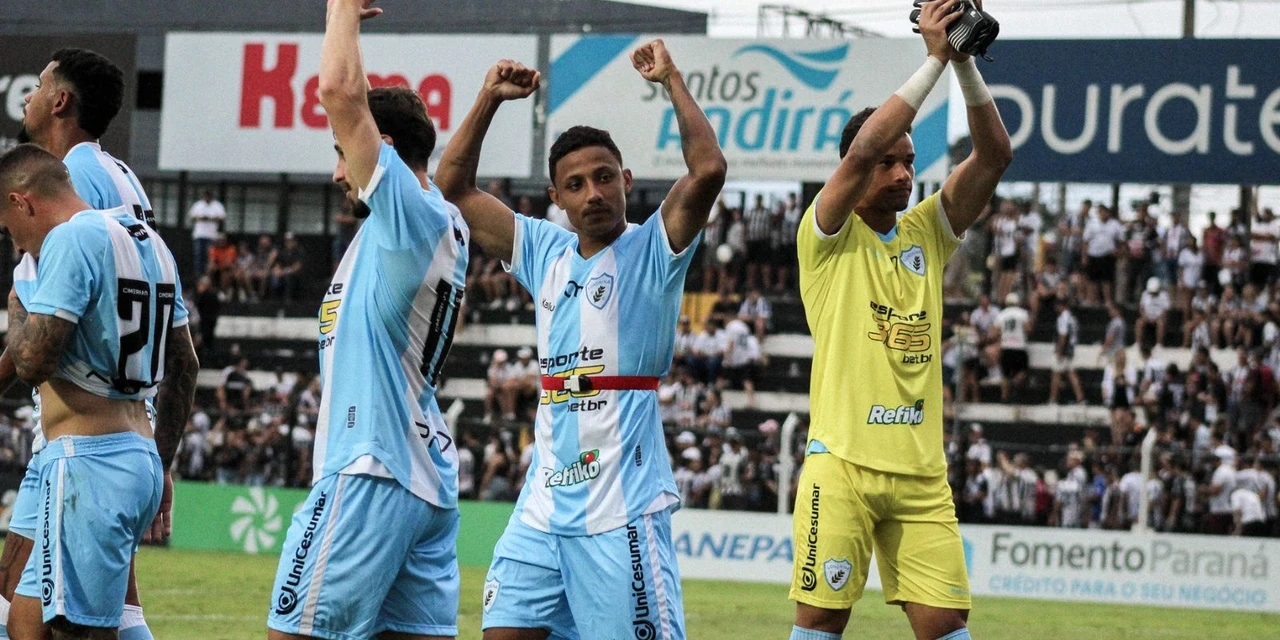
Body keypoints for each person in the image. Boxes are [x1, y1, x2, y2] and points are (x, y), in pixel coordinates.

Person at [436, 38, 725, 638]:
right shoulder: (542, 249)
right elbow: (454, 187)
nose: (592, 193)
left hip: (620, 508)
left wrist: (671, 80)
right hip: (542, 504)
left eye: (602, 178)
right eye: (575, 185)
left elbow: (708, 170)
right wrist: (489, 99)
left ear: (625, 179)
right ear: (556, 199)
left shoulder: (653, 246)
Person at [789, 2, 1012, 638]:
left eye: (909, 161)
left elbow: (994, 156)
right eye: (889, 162)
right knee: (819, 624)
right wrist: (933, 56)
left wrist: (964, 63)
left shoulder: (927, 231)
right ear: (852, 172)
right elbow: (862, 147)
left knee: (947, 626)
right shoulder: (825, 234)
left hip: (921, 473)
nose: (902, 172)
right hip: (843, 467)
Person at [266, 2, 471, 639]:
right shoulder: (416, 222)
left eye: (341, 152)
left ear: (378, 150)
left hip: (369, 468)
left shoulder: (408, 216)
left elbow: (337, 91)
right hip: (419, 476)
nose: (336, 171)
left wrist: (340, 11)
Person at [0, 144, 198, 640]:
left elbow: (31, 362)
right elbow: (185, 365)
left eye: (9, 230)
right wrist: (164, 460)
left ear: (22, 202)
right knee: (23, 620)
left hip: (88, 461)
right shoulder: (151, 240)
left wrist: (19, 299)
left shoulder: (70, 241)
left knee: (79, 631)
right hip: (137, 453)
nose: (18, 247)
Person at [993, 293, 1030, 402]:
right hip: (1019, 346)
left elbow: (996, 331)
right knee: (1023, 370)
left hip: (1006, 346)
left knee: (1005, 374)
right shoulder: (1023, 313)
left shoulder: (1002, 314)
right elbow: (1028, 329)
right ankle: (1015, 385)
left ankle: (1004, 397)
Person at [1049, 299, 1085, 404]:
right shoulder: (1072, 318)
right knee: (1071, 373)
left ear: (1061, 305)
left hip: (1064, 350)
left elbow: (1063, 335)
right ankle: (1080, 398)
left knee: (1056, 374)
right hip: (1071, 349)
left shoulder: (1063, 318)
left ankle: (1053, 399)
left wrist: (1060, 351)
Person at [189, 189, 226, 276]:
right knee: (198, 255)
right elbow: (191, 216)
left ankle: (207, 274)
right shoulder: (198, 205)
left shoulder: (217, 206)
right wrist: (202, 218)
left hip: (211, 235)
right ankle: (198, 274)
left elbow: (222, 217)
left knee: (209, 256)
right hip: (199, 234)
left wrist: (210, 218)